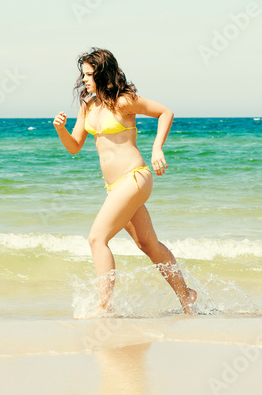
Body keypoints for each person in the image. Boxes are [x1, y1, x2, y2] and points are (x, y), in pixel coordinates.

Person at [53, 48, 197, 316]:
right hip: (114, 187)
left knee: (97, 238)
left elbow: (165, 112)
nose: (84, 79)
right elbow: (74, 147)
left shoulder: (124, 101)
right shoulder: (88, 106)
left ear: (102, 73)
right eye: (82, 74)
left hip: (135, 177)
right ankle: (186, 296)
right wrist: (60, 129)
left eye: (88, 74)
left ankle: (104, 306)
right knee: (147, 245)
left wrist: (157, 149)